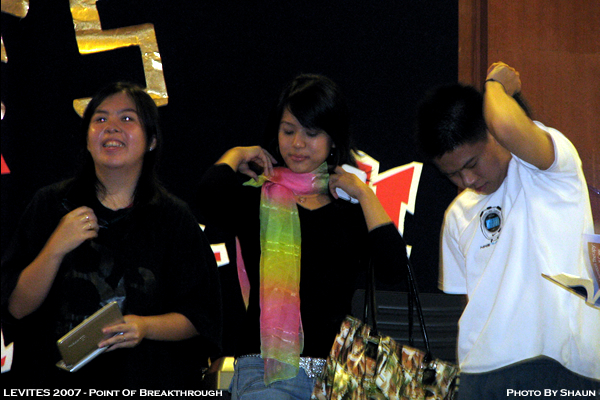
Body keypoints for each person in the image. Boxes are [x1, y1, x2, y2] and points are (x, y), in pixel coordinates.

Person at [198, 74, 407, 399]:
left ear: (333, 140)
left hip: (340, 376)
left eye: (312, 133)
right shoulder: (256, 197)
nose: (297, 143)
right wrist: (236, 154)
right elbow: (207, 199)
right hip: (264, 373)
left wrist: (366, 196)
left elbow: (394, 269)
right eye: (288, 131)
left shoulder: (349, 209)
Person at [1, 82, 222, 390]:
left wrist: (145, 327)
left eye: (127, 118)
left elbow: (201, 317)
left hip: (148, 383)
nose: (112, 127)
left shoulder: (174, 219)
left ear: (152, 141)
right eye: (101, 119)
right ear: (87, 139)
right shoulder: (51, 206)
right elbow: (16, 306)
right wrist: (55, 248)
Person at [415, 62, 600, 398]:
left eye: (472, 163)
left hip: (560, 366)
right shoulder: (457, 214)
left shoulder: (548, 169)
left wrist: (496, 83)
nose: (467, 180)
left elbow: (504, 121)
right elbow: (471, 303)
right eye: (452, 174)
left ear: (493, 134)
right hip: (479, 373)